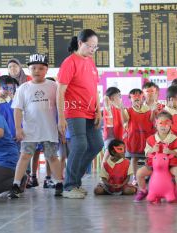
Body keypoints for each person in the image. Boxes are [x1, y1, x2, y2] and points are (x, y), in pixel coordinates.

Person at [8, 53, 63, 198]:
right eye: (33, 68)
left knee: (52, 157)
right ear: (28, 70)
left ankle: (59, 183)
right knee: (25, 156)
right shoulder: (23, 88)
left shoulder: (54, 86)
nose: (37, 71)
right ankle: (16, 184)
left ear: (47, 70)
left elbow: (61, 107)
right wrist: (18, 128)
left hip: (49, 129)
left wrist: (62, 124)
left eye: (40, 68)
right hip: (29, 130)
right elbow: (18, 109)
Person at [57, 29, 104, 199]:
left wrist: (98, 110)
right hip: (74, 110)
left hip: (91, 111)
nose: (92, 50)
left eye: (95, 47)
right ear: (80, 43)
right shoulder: (69, 62)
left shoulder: (90, 62)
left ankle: (75, 181)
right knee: (80, 144)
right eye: (90, 46)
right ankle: (69, 186)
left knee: (97, 144)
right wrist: (61, 118)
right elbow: (59, 91)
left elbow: (94, 89)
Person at [134, 111, 177, 203]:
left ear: (171, 124)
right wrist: (152, 150)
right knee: (139, 173)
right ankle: (143, 190)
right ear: (156, 124)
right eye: (160, 123)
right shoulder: (150, 139)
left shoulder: (174, 139)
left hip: (170, 165)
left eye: (166, 123)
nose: (163, 126)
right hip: (154, 165)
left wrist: (170, 151)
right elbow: (146, 153)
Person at [122, 89, 154, 185]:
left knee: (148, 158)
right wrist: (121, 109)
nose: (136, 99)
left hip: (146, 138)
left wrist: (153, 110)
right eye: (134, 97)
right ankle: (135, 177)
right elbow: (124, 120)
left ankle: (148, 176)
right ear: (130, 99)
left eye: (139, 97)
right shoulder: (128, 110)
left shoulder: (148, 109)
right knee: (134, 158)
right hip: (134, 138)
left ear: (142, 98)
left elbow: (152, 121)